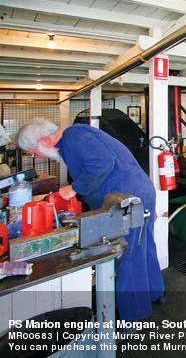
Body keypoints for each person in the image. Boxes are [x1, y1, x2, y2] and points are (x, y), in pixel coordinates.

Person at [15, 118, 165, 322]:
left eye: (34, 152)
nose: (38, 157)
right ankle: (156, 293)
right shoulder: (74, 139)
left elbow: (101, 163)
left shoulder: (73, 137)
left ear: (44, 140)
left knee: (127, 254)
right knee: (143, 246)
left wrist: (74, 188)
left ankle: (134, 315)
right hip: (136, 192)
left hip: (125, 199)